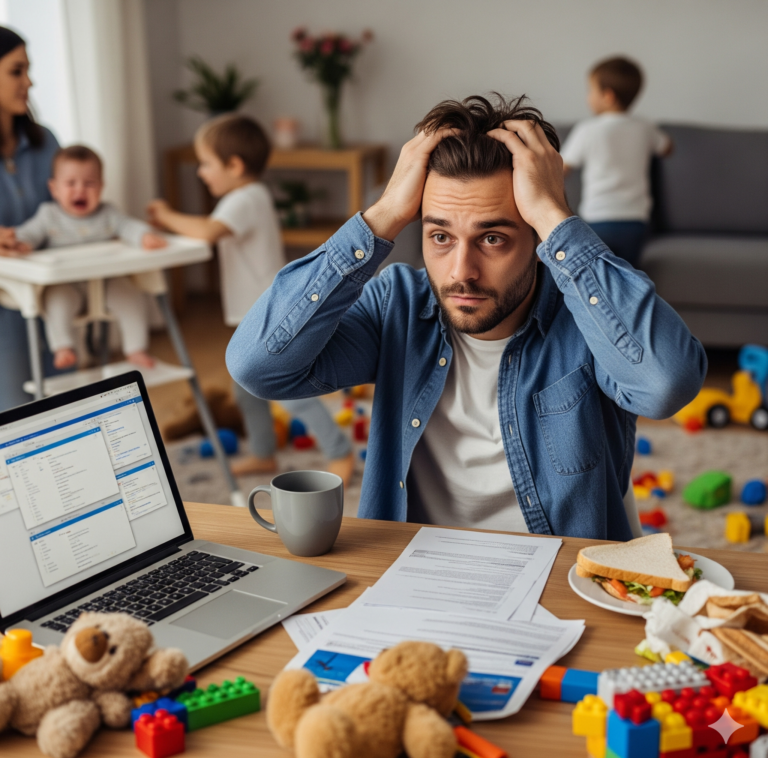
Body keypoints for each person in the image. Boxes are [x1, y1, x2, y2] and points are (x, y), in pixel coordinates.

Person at [227, 94, 707, 541]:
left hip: (558, 581)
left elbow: (665, 384)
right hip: (414, 572)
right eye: (440, 237)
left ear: (537, 239)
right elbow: (257, 367)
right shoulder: (398, 304)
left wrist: (554, 215)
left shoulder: (589, 317)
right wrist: (384, 215)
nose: (461, 272)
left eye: (492, 239)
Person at [147, 114, 354, 485]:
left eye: (206, 163)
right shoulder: (248, 196)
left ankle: (340, 452)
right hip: (256, 313)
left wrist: (165, 215)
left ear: (234, 165)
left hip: (272, 315)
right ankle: (262, 452)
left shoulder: (244, 198)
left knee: (289, 393)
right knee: (245, 390)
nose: (200, 172)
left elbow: (208, 232)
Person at [0, 145, 166, 369]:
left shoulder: (108, 213)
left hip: (107, 281)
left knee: (131, 297)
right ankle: (63, 347)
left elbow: (129, 226)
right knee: (56, 301)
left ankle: (136, 348)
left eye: (89, 183)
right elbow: (30, 233)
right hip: (67, 284)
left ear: (101, 187)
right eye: (70, 183)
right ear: (54, 188)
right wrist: (20, 243)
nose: (80, 190)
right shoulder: (48, 215)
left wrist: (145, 236)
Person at [560, 57, 672, 268]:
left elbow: (561, 169)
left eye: (591, 90)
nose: (588, 97)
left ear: (608, 96)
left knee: (598, 273)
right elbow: (667, 147)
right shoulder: (644, 127)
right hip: (635, 221)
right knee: (629, 274)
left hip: (598, 218)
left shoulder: (587, 129)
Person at [0, 26, 59, 410]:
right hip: (4, 311)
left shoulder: (46, 142)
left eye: (28, 70)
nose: (29, 82)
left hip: (52, 302)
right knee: (14, 414)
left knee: (64, 404)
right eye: (16, 71)